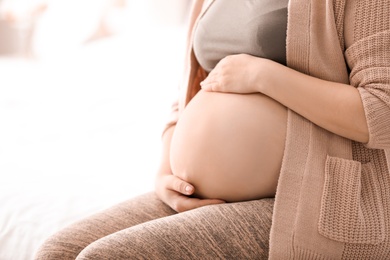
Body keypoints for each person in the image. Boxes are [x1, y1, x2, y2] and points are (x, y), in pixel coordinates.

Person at [35, 0, 390, 259]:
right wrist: (165, 172)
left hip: (309, 197)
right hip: (198, 194)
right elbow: (192, 89)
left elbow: (381, 109)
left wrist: (262, 76)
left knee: (105, 258)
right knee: (58, 252)